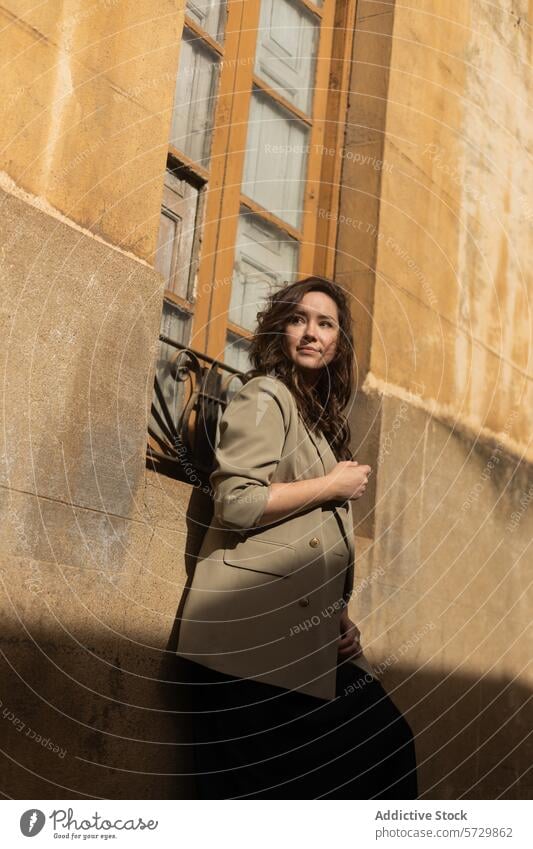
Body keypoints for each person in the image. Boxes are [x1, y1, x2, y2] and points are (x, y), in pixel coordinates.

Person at [176, 275, 418, 799]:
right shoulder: (266, 394)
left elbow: (298, 539)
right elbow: (237, 503)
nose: (311, 333)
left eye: (325, 323)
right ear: (279, 331)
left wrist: (337, 618)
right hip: (246, 640)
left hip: (301, 646)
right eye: (298, 319)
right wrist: (332, 484)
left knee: (384, 748)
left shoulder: (316, 419)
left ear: (338, 343)